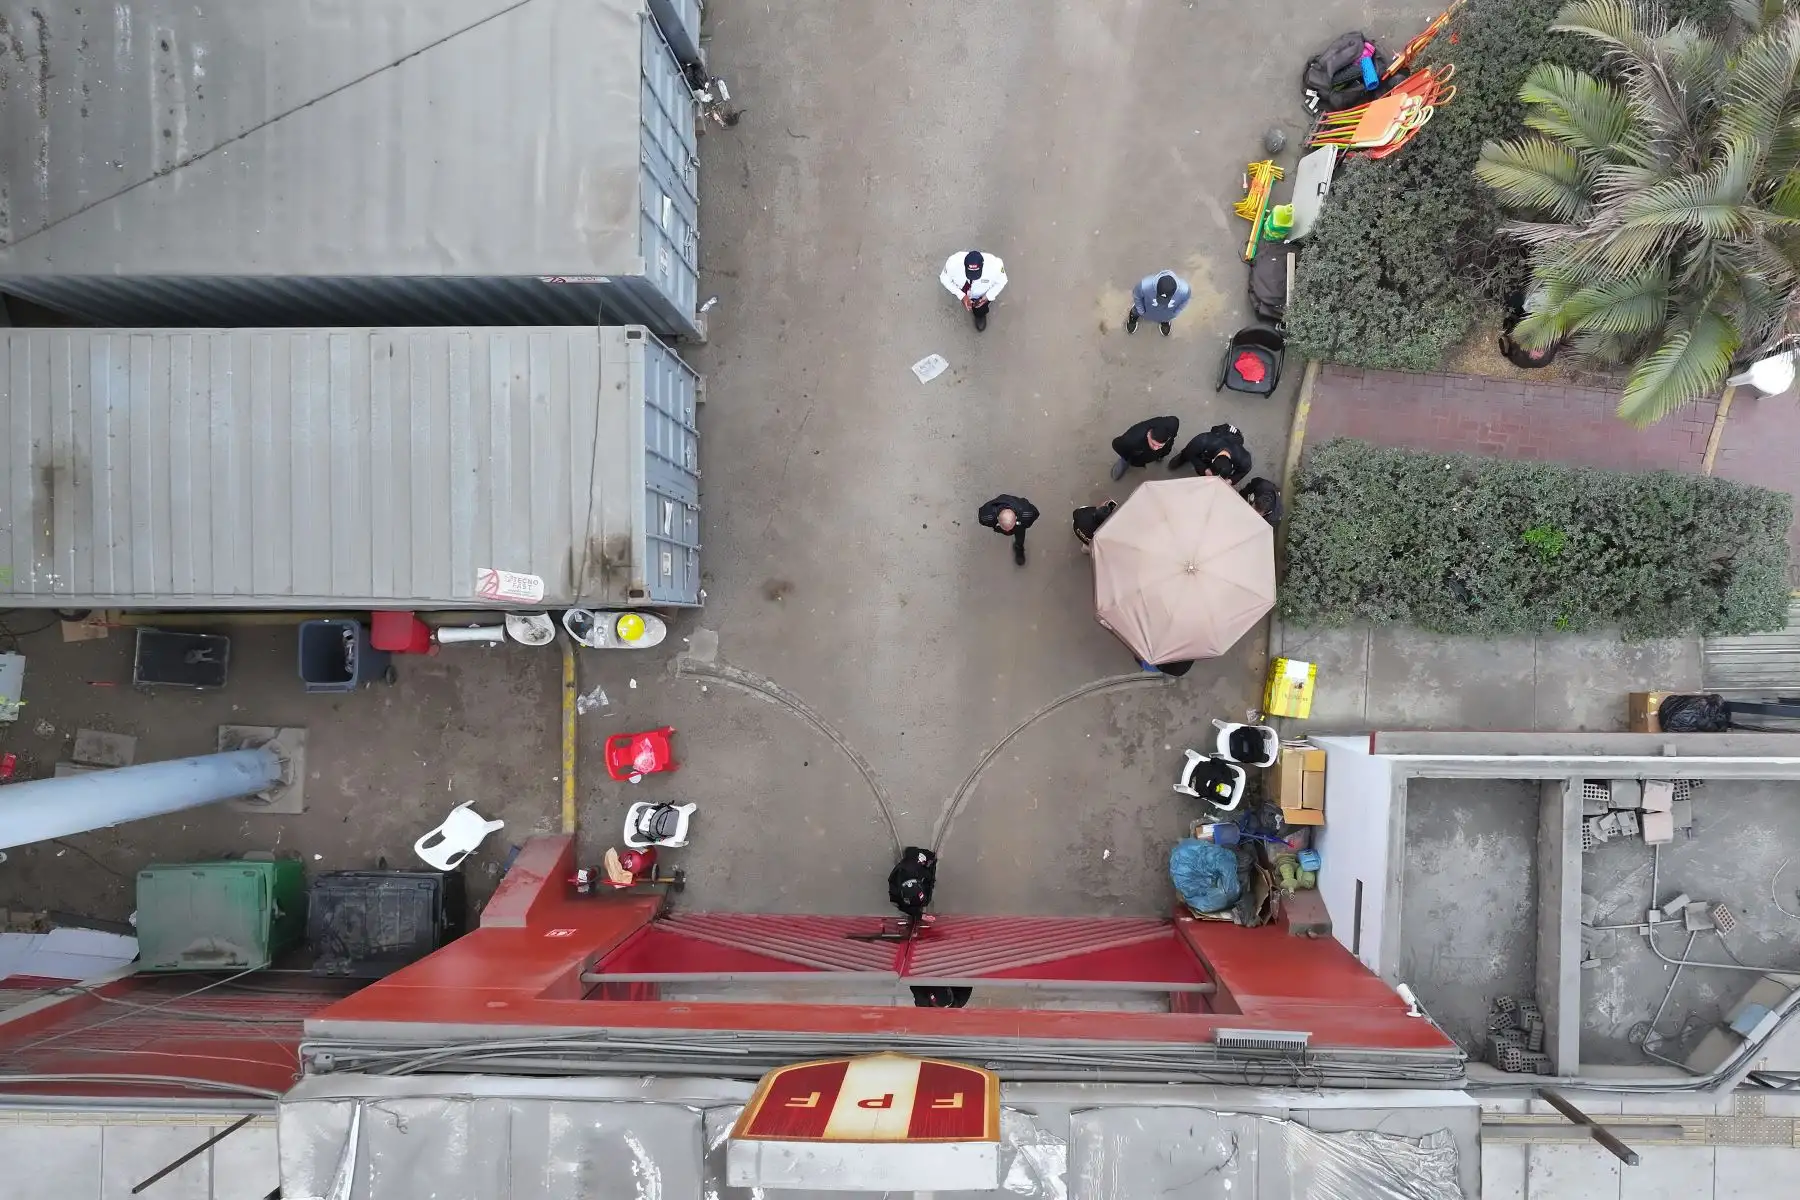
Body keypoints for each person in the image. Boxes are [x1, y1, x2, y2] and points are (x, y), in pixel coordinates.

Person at [940, 250, 1008, 332]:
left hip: (982, 295)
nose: (973, 278)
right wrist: (961, 296)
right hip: (964, 291)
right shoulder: (952, 263)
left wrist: (987, 297)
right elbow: (944, 279)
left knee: (981, 308)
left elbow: (1002, 281)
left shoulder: (995, 266)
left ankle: (980, 314)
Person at [1168, 422, 1251, 483]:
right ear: (1212, 460)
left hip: (1235, 438)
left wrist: (1231, 480)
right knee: (1190, 451)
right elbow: (1190, 452)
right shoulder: (1203, 441)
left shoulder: (1244, 459)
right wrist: (1204, 469)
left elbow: (1244, 471)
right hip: (1220, 432)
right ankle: (1182, 457)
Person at [1109, 415, 1179, 480]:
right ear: (1148, 434)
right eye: (1153, 444)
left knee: (1163, 451)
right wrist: (1126, 457)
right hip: (1136, 449)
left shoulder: (1173, 424)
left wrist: (1164, 450)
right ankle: (1124, 461)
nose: (1156, 448)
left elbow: (1173, 435)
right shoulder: (1131, 439)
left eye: (1159, 445)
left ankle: (1160, 456)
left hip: (1164, 447)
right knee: (1129, 455)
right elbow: (1117, 445)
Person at [978, 493, 1039, 565]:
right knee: (1020, 529)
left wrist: (1024, 525)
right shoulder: (988, 516)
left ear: (1016, 518)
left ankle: (1019, 547)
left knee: (1020, 535)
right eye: (1005, 529)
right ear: (997, 519)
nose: (1008, 531)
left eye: (1010, 528)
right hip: (1011, 524)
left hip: (1018, 526)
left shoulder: (1026, 512)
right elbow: (982, 520)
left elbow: (1035, 514)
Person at [1126, 270, 1192, 336]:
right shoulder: (1144, 286)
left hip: (1167, 312)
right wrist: (1141, 310)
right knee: (1136, 311)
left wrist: (1175, 313)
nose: (1161, 302)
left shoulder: (1185, 291)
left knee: (1165, 317)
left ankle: (1165, 321)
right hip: (1147, 306)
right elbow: (1137, 297)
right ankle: (1133, 317)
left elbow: (1185, 301)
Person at [888, 846, 938, 922]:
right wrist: (919, 915)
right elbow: (901, 905)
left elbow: (915, 852)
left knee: (927, 895)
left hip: (915, 871)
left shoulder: (917, 866)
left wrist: (931, 860)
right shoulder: (895, 890)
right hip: (902, 883)